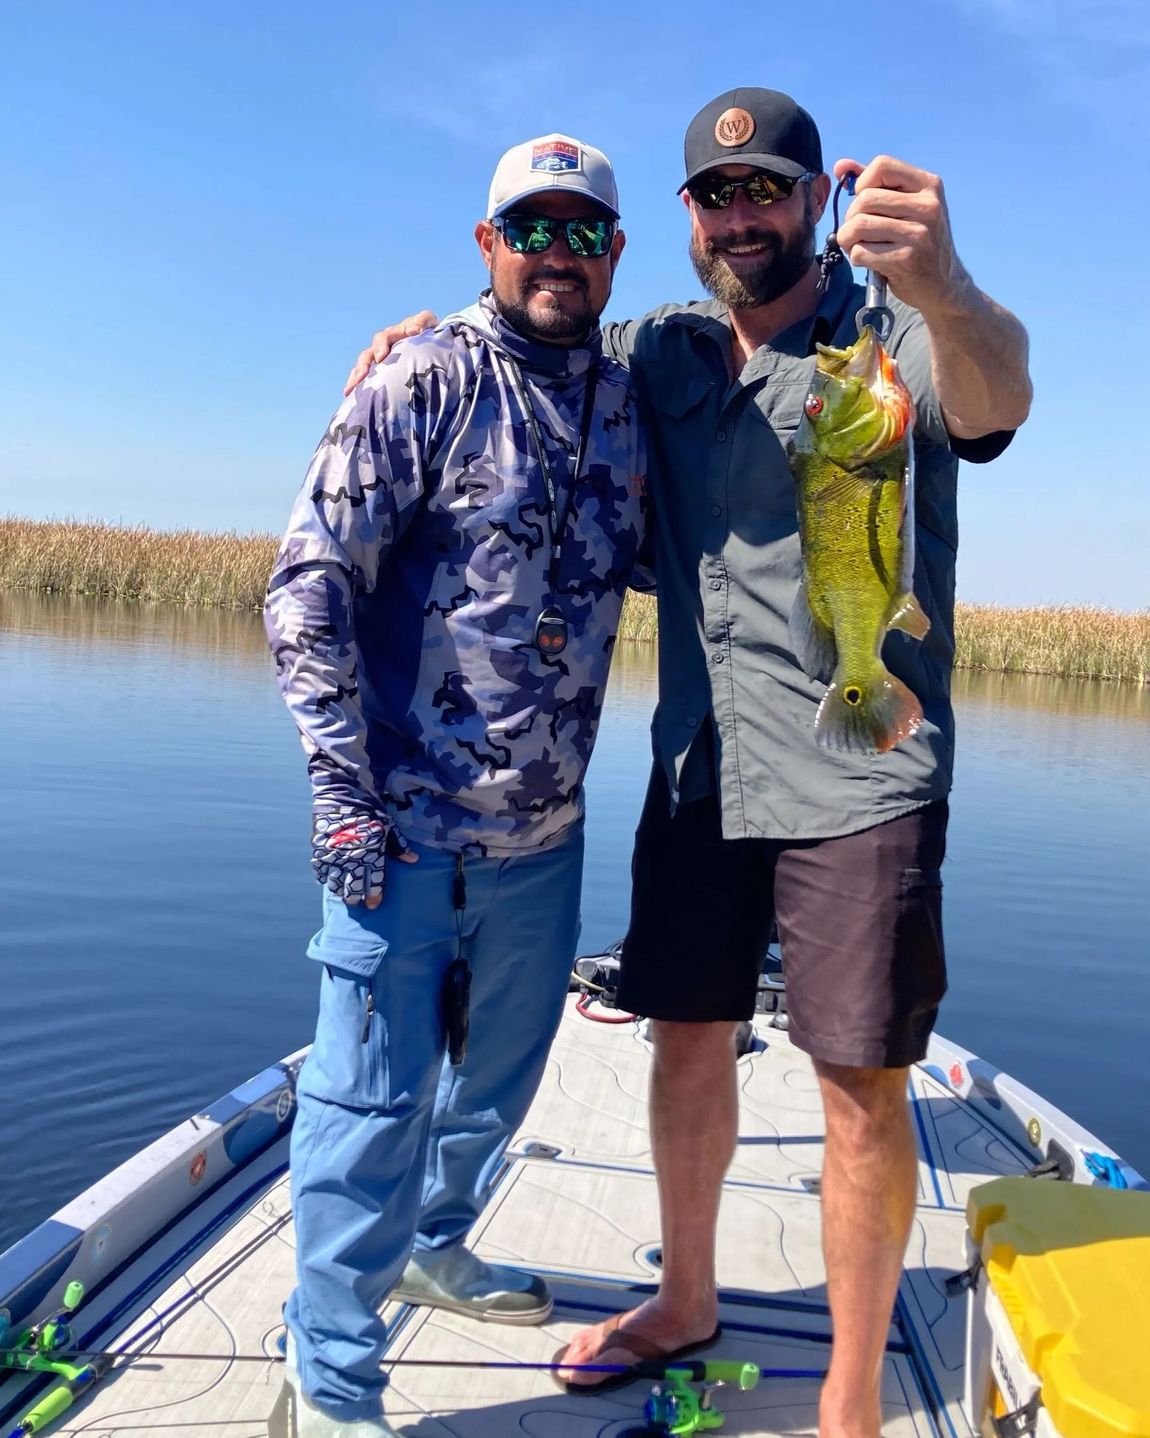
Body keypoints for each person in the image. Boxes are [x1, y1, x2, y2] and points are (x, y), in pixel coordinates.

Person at [347, 87, 1032, 1438]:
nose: (742, 216)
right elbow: (529, 340)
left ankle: (844, 1387)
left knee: (855, 1079)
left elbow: (999, 395)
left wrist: (946, 280)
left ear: (813, 196)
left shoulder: (892, 328)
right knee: (683, 1036)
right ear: (685, 218)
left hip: (860, 761)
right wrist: (421, 343)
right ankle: (686, 1298)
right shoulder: (652, 349)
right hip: (696, 764)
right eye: (717, 197)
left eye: (767, 189)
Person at [265, 132, 647, 1437]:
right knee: (367, 1104)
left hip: (544, 839)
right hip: (400, 833)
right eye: (529, 228)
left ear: (613, 255)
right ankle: (328, 1378)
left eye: (582, 231)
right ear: (486, 245)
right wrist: (339, 793)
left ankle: (435, 1243)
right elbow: (304, 593)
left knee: (493, 1089)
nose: (556, 251)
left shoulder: (631, 401)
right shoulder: (420, 382)